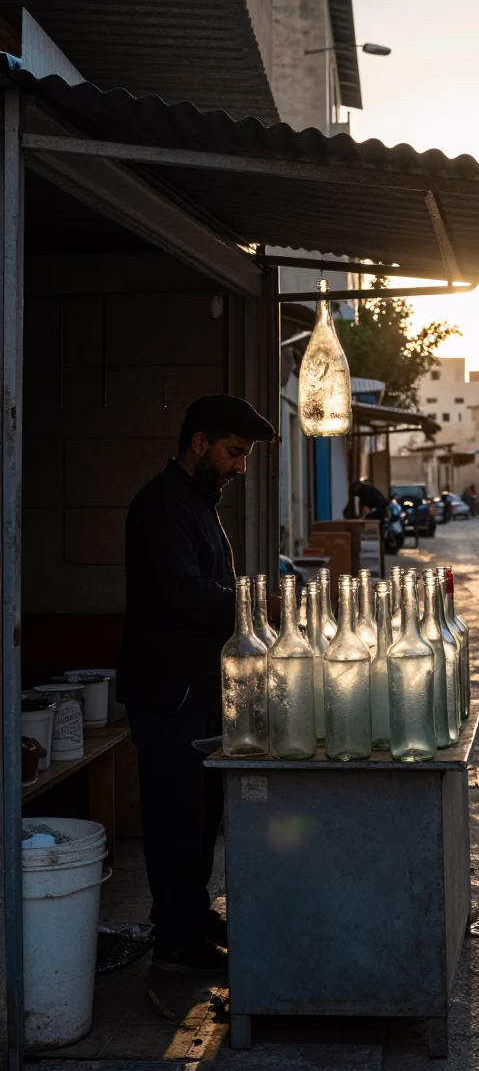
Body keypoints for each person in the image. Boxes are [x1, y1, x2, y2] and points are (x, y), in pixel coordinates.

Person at [118, 394, 275, 974]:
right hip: (167, 694)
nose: (240, 467)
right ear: (200, 443)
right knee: (174, 817)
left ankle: (192, 913)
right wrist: (259, 606)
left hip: (201, 691)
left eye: (247, 456)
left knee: (203, 814)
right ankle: (175, 940)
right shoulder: (161, 506)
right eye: (235, 453)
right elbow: (183, 593)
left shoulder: (199, 504)